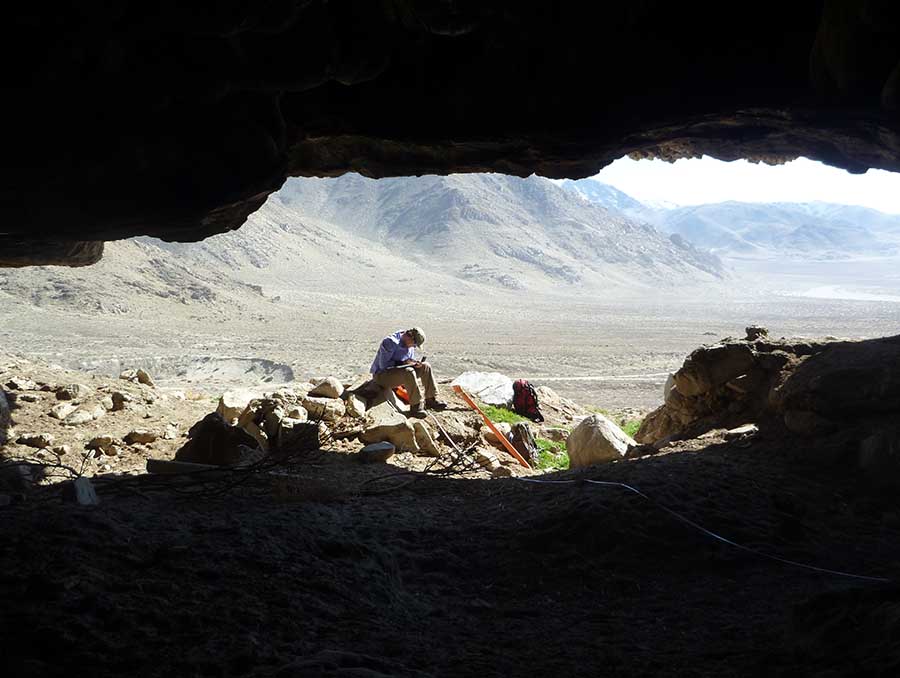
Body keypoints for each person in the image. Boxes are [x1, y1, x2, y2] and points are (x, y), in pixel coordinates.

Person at [370, 327, 447, 418]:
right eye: (414, 344)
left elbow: (408, 360)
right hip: (382, 376)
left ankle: (431, 399)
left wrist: (414, 363)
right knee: (409, 372)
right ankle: (416, 406)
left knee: (426, 366)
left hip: (400, 373)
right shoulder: (390, 342)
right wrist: (403, 363)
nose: (414, 347)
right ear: (409, 337)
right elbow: (384, 365)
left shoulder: (409, 344)